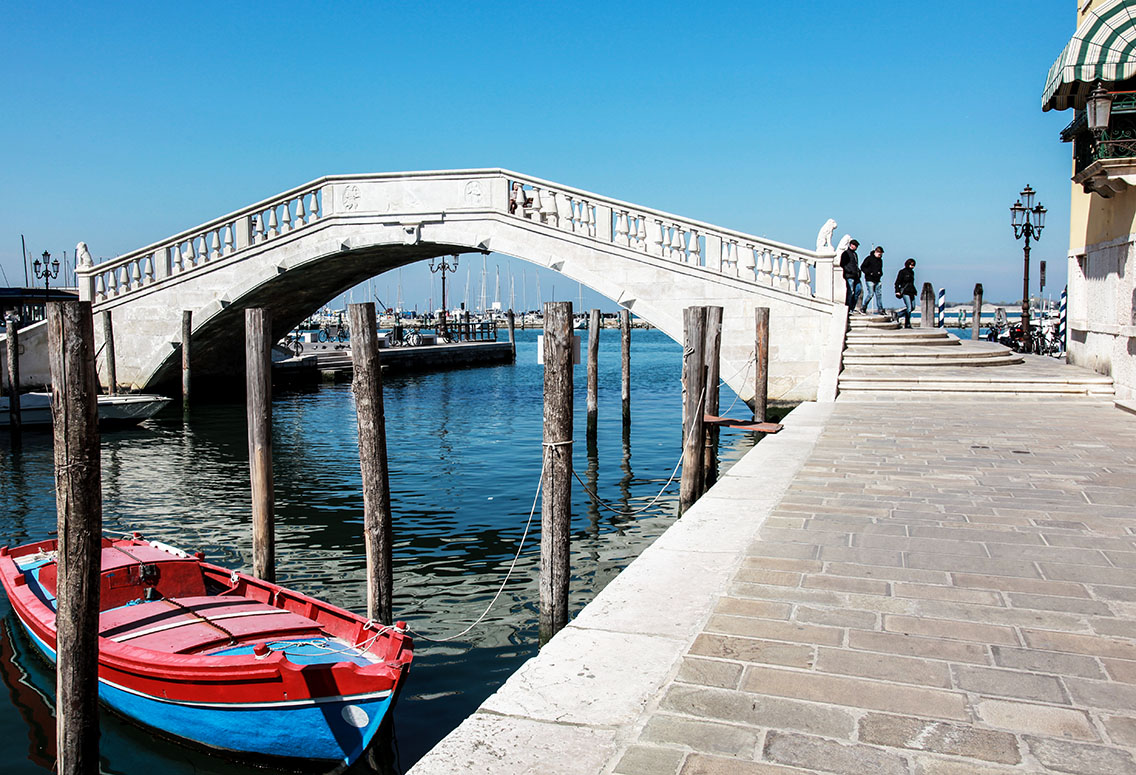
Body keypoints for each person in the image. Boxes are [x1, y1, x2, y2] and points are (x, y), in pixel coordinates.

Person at [860, 246, 884, 314]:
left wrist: (880, 273)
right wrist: (869, 273)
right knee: (871, 294)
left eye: (881, 254)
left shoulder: (880, 260)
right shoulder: (869, 258)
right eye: (879, 254)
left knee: (879, 295)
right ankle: (864, 307)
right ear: (876, 252)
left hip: (878, 280)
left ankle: (880, 309)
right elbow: (862, 267)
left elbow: (880, 269)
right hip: (870, 279)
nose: (880, 255)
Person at [894, 258, 918, 329]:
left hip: (911, 292)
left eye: (913, 265)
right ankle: (907, 323)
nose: (912, 266)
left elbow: (912, 283)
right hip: (905, 292)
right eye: (911, 265)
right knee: (909, 308)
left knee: (913, 307)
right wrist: (897, 291)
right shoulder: (902, 272)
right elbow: (897, 282)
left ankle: (898, 314)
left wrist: (915, 291)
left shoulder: (912, 272)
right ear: (908, 264)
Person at [840, 239, 862, 311]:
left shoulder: (855, 254)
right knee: (850, 291)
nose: (856, 247)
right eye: (855, 245)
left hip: (856, 276)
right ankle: (848, 308)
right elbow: (842, 264)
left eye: (856, 246)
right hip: (849, 276)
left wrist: (858, 272)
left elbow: (855, 264)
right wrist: (849, 271)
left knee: (858, 290)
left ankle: (852, 307)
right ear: (851, 245)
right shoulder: (846, 253)